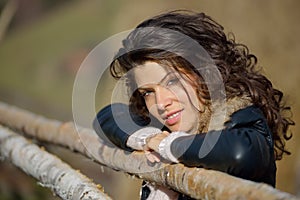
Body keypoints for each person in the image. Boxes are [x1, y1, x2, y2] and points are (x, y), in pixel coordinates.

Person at [93, 10, 294, 200]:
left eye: (172, 81)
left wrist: (166, 146)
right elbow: (106, 117)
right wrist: (148, 139)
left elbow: (240, 153)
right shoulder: (163, 127)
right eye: (148, 92)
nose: (162, 103)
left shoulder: (241, 120)